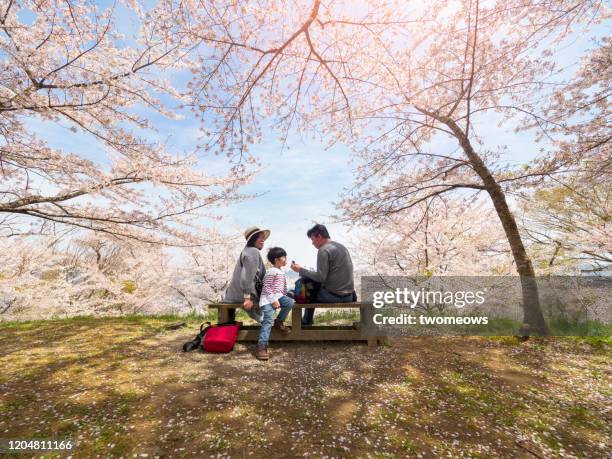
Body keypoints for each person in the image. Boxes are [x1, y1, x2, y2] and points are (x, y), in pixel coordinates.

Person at [291, 224, 355, 325]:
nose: (312, 243)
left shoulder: (324, 249)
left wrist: (300, 270)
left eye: (312, 239)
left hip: (333, 297)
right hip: (349, 296)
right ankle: (306, 322)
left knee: (306, 291)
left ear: (319, 236)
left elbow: (320, 277)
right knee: (311, 285)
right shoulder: (341, 247)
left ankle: (305, 324)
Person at [254, 247, 295, 360]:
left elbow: (282, 288)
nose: (286, 258)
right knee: (267, 319)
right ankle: (262, 345)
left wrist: (285, 295)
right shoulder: (271, 272)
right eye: (284, 257)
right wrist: (273, 300)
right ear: (277, 259)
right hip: (268, 299)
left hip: (279, 297)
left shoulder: (280, 271)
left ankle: (279, 321)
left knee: (290, 302)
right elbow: (266, 287)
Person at [224, 226, 270, 321]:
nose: (263, 240)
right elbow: (246, 277)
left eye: (263, 238)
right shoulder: (252, 252)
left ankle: (265, 323)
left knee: (265, 314)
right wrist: (247, 299)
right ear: (253, 239)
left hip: (233, 295)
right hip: (243, 296)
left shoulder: (247, 251)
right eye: (260, 238)